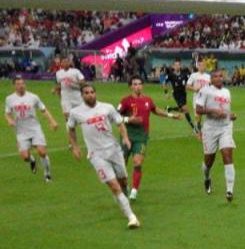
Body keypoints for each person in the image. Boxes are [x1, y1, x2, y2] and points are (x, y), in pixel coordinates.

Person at [67, 84, 140, 229]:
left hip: (114, 150)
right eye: (87, 93)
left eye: (92, 92)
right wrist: (74, 146)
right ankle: (132, 217)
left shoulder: (107, 108)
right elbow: (71, 128)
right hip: (96, 155)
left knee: (123, 181)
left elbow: (119, 123)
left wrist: (125, 138)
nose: (90, 95)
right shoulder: (76, 112)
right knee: (113, 185)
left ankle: (122, 197)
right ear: (82, 95)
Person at [118, 76, 181, 200]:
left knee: (138, 162)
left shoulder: (147, 100)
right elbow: (114, 116)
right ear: (130, 86)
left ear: (142, 86)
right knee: (121, 166)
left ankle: (134, 191)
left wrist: (171, 115)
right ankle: (124, 186)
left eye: (139, 84)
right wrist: (129, 119)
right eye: (134, 84)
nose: (137, 87)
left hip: (141, 137)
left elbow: (155, 110)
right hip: (127, 136)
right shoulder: (125, 101)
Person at [5, 76, 58, 181]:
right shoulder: (9, 99)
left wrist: (52, 121)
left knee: (42, 152)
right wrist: (9, 120)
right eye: (18, 84)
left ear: (25, 84)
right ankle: (32, 160)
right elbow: (7, 113)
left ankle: (47, 175)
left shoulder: (33, 97)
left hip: (35, 129)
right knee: (25, 157)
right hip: (21, 131)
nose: (21, 86)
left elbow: (43, 110)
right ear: (14, 86)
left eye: (22, 84)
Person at [196, 69, 237, 202]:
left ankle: (229, 190)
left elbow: (225, 111)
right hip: (210, 129)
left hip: (225, 127)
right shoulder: (205, 91)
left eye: (221, 76)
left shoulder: (227, 92)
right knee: (209, 161)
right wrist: (213, 110)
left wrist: (230, 116)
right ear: (211, 79)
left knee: (227, 155)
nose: (219, 78)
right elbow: (198, 109)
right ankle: (207, 178)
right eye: (216, 76)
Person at [163, 58, 199, 134]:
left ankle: (169, 108)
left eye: (178, 65)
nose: (177, 66)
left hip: (183, 93)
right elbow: (164, 83)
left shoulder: (184, 73)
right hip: (176, 94)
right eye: (175, 65)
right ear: (173, 66)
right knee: (185, 109)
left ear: (180, 66)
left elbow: (190, 80)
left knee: (182, 109)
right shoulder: (171, 75)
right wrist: (166, 92)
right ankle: (193, 127)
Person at [54, 56, 85, 121]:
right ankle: (70, 129)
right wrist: (57, 91)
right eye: (63, 62)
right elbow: (59, 85)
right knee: (67, 117)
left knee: (82, 117)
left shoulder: (76, 71)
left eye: (67, 61)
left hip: (76, 96)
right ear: (61, 63)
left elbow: (83, 82)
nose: (65, 63)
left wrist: (73, 82)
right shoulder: (58, 73)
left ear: (70, 63)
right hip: (65, 98)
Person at [186, 62, 211, 133]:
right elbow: (187, 86)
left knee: (208, 115)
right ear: (198, 67)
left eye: (203, 65)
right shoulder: (194, 75)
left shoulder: (208, 76)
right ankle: (199, 125)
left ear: (205, 67)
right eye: (200, 65)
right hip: (197, 98)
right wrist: (194, 88)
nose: (202, 67)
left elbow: (212, 86)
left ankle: (206, 130)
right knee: (197, 116)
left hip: (207, 99)